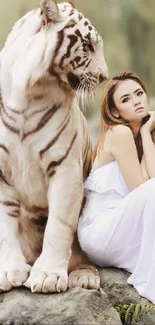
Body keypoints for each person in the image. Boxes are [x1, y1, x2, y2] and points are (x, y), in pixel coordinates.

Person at [78, 71, 155, 304]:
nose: (137, 101)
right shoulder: (119, 133)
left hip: (123, 228)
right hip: (99, 231)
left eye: (139, 93)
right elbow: (143, 188)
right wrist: (144, 131)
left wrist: (146, 135)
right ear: (114, 112)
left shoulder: (144, 137)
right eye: (126, 99)